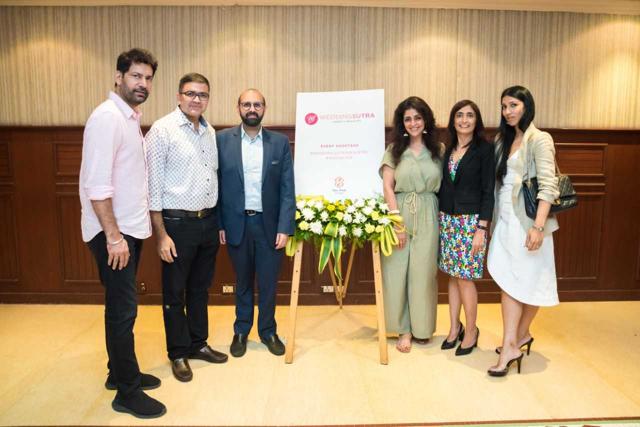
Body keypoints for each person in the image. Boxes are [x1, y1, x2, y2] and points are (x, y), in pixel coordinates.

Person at [79, 48, 165, 418]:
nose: (142, 84)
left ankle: (119, 373)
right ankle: (126, 392)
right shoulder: (107, 119)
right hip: (113, 234)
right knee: (123, 311)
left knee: (120, 308)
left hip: (128, 228)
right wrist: (114, 237)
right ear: (118, 77)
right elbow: (97, 186)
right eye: (135, 76)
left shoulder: (129, 118)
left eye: (147, 78)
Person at [146, 73, 228, 383]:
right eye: (190, 93)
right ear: (179, 96)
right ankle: (178, 352)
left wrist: (217, 221)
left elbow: (213, 178)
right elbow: (152, 186)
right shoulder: (162, 130)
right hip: (176, 225)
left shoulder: (209, 131)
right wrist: (161, 234)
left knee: (199, 289)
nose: (197, 99)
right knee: (174, 293)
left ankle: (198, 343)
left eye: (203, 95)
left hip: (207, 222)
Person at [487, 85, 560, 377]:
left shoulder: (539, 139)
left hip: (527, 222)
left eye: (513, 105)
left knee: (530, 283)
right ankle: (518, 338)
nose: (508, 111)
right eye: (504, 106)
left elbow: (548, 184)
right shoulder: (502, 140)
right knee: (509, 282)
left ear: (526, 106)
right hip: (504, 220)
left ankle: (510, 345)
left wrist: (538, 226)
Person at [217, 89, 296, 357]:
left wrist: (285, 227)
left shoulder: (279, 142)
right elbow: (215, 187)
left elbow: (288, 188)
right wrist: (220, 224)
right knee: (242, 282)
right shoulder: (221, 140)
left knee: (269, 282)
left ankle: (268, 331)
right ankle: (241, 330)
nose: (252, 109)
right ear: (238, 107)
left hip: (269, 226)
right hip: (236, 224)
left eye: (257, 104)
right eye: (247, 104)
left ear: (264, 108)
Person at [379, 96, 442, 353]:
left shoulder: (438, 149)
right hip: (400, 210)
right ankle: (403, 329)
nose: (413, 123)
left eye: (417, 117)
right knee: (396, 272)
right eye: (407, 119)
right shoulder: (393, 150)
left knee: (423, 274)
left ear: (425, 119)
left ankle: (422, 328)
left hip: (429, 211)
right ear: (401, 123)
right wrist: (397, 223)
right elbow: (387, 187)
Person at [438, 100, 495, 356]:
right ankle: (454, 328)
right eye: (459, 115)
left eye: (470, 115)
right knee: (452, 276)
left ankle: (471, 331)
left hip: (471, 222)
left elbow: (488, 191)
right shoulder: (447, 148)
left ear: (476, 120)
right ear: (453, 120)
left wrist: (482, 227)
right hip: (447, 219)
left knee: (465, 278)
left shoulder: (485, 149)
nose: (464, 120)